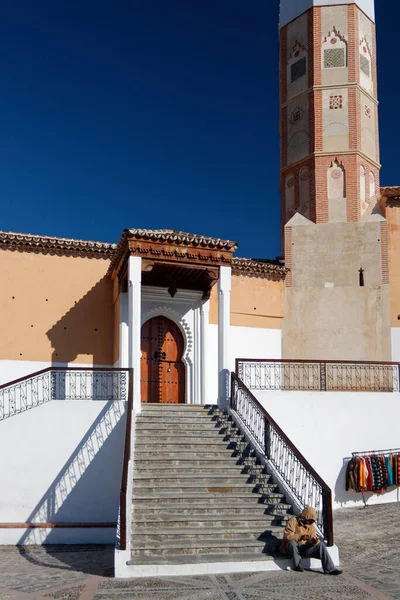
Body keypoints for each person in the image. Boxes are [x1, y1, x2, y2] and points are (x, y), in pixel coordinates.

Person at [280, 506, 342, 574]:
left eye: (311, 521)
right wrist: (300, 536)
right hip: (294, 546)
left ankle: (330, 569)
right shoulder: (293, 521)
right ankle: (297, 565)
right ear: (304, 517)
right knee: (291, 543)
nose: (309, 522)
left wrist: (314, 541)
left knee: (320, 545)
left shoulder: (311, 525)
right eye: (308, 520)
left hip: (305, 546)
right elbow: (287, 536)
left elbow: (313, 536)